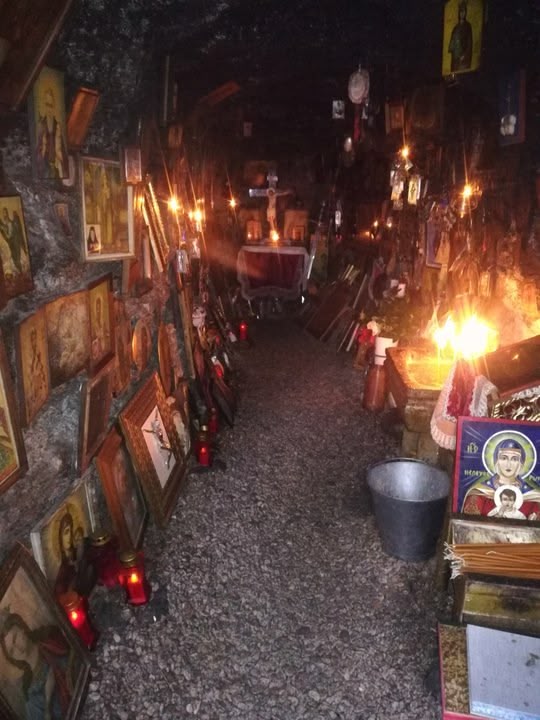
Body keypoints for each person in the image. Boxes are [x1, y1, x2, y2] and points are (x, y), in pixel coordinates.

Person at [0, 609, 74, 719]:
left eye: (15, 638)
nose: (17, 649)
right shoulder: (32, 697)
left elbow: (75, 652)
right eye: (11, 651)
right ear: (12, 658)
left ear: (22, 628)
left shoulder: (52, 640)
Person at [462, 438, 540, 520]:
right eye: (504, 458)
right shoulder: (479, 492)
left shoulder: (533, 497)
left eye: (514, 459)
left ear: (521, 463)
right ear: (496, 461)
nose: (508, 464)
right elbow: (469, 522)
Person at [36, 86, 69, 179]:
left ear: (54, 106)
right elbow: (39, 148)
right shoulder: (41, 124)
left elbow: (61, 150)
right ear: (44, 105)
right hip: (45, 166)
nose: (49, 109)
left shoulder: (57, 126)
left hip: (56, 166)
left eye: (51, 105)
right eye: (47, 105)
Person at [26, 326, 48, 420]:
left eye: (35, 339)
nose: (35, 341)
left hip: (38, 377)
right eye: (33, 339)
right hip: (34, 379)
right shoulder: (31, 358)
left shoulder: (38, 353)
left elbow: (40, 367)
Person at [448, 0, 473, 72]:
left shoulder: (468, 26)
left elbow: (469, 43)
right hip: (455, 58)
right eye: (461, 12)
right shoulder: (456, 27)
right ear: (459, 13)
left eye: (464, 12)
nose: (462, 14)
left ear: (466, 13)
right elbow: (452, 43)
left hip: (463, 58)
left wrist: (464, 55)